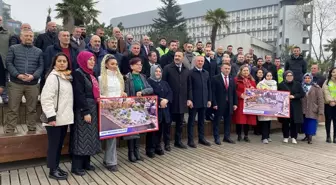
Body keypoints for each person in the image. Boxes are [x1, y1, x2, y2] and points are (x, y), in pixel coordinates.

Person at [41, 53, 73, 180]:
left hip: (63, 117)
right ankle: (52, 170)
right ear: (54, 63)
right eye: (59, 61)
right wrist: (51, 117)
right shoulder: (53, 77)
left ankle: (56, 166)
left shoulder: (66, 76)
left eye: (64, 61)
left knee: (59, 144)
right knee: (54, 145)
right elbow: (46, 98)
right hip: (54, 118)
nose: (62, 63)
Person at [5, 30, 43, 133]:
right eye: (26, 35)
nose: (29, 37)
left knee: (32, 109)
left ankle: (31, 129)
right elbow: (8, 63)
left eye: (31, 36)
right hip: (16, 83)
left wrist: (33, 76)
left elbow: (41, 66)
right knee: (12, 108)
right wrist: (18, 75)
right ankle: (10, 130)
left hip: (32, 84)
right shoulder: (13, 48)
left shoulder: (38, 51)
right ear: (21, 37)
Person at [71, 51, 101, 176]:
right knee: (81, 136)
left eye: (93, 60)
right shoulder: (78, 73)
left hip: (92, 107)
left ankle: (86, 163)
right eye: (89, 60)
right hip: (83, 109)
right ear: (83, 60)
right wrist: (85, 111)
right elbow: (79, 94)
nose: (92, 62)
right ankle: (76, 166)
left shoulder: (91, 74)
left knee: (90, 135)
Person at [98, 54, 126, 171]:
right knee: (111, 135)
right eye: (112, 64)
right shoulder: (100, 78)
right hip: (106, 109)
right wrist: (107, 100)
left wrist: (123, 94)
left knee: (113, 136)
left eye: (116, 64)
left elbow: (121, 92)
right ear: (106, 65)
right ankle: (111, 161)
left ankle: (109, 160)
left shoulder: (119, 78)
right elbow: (98, 94)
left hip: (118, 109)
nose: (115, 66)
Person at [124, 57, 153, 162]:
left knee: (139, 130)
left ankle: (137, 152)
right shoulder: (127, 78)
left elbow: (150, 88)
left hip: (141, 107)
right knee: (132, 131)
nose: (139, 66)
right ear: (131, 66)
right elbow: (125, 91)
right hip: (131, 107)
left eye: (140, 64)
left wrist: (143, 92)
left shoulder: (143, 76)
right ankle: (131, 153)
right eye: (137, 64)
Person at [162, 50, 189, 149]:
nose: (177, 57)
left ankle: (178, 141)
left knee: (180, 123)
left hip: (182, 100)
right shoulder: (167, 68)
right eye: (175, 56)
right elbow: (163, 84)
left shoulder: (186, 69)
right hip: (170, 100)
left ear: (183, 57)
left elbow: (189, 86)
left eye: (179, 56)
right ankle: (167, 143)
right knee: (168, 123)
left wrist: (189, 99)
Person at [147, 65, 173, 156]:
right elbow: (150, 94)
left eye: (159, 71)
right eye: (156, 71)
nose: (158, 73)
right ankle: (150, 148)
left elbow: (170, 92)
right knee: (152, 130)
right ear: (152, 72)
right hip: (153, 110)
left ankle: (158, 146)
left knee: (160, 129)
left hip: (164, 110)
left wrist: (166, 100)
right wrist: (160, 101)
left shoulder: (164, 83)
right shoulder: (148, 82)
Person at [187, 56, 212, 148]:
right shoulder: (190, 73)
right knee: (191, 121)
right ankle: (190, 140)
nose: (200, 62)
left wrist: (209, 99)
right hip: (194, 101)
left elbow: (209, 87)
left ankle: (201, 138)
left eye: (202, 61)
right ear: (195, 62)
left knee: (202, 121)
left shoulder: (206, 73)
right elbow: (189, 87)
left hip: (204, 100)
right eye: (198, 61)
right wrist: (189, 99)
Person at [212, 63, 238, 145]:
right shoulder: (215, 78)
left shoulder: (231, 79)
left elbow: (234, 92)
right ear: (221, 69)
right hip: (219, 104)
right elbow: (213, 93)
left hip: (229, 104)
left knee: (228, 121)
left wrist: (235, 104)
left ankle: (227, 137)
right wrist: (214, 103)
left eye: (228, 69)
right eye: (225, 68)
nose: (227, 70)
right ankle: (216, 138)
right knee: (217, 122)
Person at [278, 70, 305, 144]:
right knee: (285, 122)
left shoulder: (297, 84)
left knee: (294, 122)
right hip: (285, 106)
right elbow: (278, 95)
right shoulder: (281, 85)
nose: (289, 77)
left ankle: (294, 137)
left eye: (291, 76)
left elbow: (302, 94)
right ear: (285, 76)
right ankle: (285, 136)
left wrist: (294, 96)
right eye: (288, 76)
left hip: (295, 105)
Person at [232, 65, 256, 142]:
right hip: (240, 101)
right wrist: (240, 94)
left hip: (249, 103)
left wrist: (253, 90)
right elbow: (233, 90)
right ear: (241, 71)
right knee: (240, 119)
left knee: (248, 119)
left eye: (247, 70)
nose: (246, 72)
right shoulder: (236, 80)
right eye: (244, 70)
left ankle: (246, 135)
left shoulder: (252, 80)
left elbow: (256, 91)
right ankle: (239, 135)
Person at [301, 73, 324, 144]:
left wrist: (321, 110)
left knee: (311, 123)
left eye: (309, 78)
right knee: (305, 123)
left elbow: (320, 100)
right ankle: (306, 135)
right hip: (303, 108)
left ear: (311, 79)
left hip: (313, 108)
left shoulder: (316, 87)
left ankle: (310, 137)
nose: (307, 79)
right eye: (306, 78)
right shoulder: (301, 87)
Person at [256, 72, 277, 144]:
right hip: (263, 104)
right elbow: (257, 93)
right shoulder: (261, 84)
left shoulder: (274, 83)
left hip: (271, 105)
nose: (269, 77)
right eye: (268, 76)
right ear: (265, 76)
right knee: (264, 121)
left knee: (269, 121)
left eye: (271, 75)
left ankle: (268, 136)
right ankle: (264, 137)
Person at [322, 67, 336, 143]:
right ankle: (328, 136)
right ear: (331, 73)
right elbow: (325, 92)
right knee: (328, 120)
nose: (335, 73)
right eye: (333, 72)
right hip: (328, 104)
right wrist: (330, 101)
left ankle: (335, 137)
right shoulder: (327, 82)